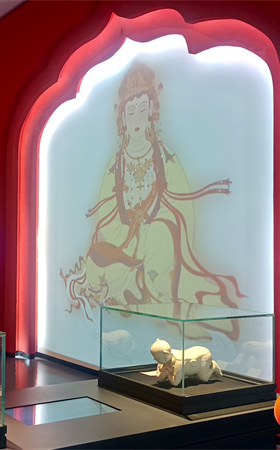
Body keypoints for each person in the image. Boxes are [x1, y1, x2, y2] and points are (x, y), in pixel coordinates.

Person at [60, 61, 243, 341]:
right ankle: (134, 286)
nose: (136, 119)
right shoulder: (115, 164)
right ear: (122, 117)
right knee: (97, 259)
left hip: (158, 244)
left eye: (142, 109)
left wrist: (149, 228)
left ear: (152, 112)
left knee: (160, 233)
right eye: (130, 112)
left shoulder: (165, 157)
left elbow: (183, 211)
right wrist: (130, 235)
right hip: (125, 247)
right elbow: (106, 218)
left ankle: (160, 303)